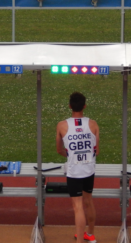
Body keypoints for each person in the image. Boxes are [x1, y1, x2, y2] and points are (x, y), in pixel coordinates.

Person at [56, 92, 99, 243]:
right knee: (89, 202)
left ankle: (80, 240)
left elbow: (59, 149)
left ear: (69, 106)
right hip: (89, 169)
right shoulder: (93, 124)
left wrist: (71, 156)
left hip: (74, 171)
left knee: (78, 207)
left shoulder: (62, 125)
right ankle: (91, 234)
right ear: (84, 106)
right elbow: (96, 150)